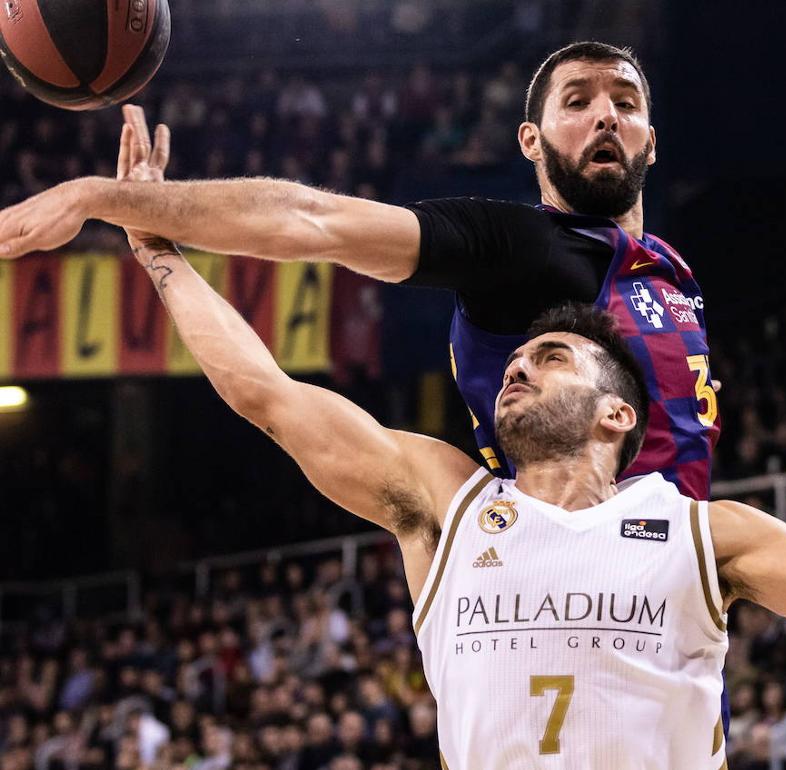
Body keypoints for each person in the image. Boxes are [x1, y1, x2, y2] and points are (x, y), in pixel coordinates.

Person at [93, 114, 786, 769]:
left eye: (548, 359)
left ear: (619, 410)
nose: (515, 365)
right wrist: (162, 259)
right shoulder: (447, 497)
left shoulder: (701, 534)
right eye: (516, 360)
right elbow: (267, 394)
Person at [0, 42, 719, 498]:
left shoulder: (672, 273)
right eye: (577, 102)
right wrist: (102, 197)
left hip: (677, 638)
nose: (604, 117)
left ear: (650, 142)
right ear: (529, 140)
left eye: (624, 104)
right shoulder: (522, 246)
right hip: (556, 574)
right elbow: (313, 221)